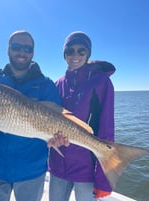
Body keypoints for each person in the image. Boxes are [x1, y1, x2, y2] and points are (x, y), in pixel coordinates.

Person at [0, 30, 61, 201]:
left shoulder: (46, 86)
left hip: (31, 170)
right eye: (16, 47)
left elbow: (58, 122)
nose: (22, 52)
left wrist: (58, 139)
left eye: (27, 48)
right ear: (8, 50)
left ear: (32, 53)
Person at [48, 31, 116, 201]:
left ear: (88, 54)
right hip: (58, 165)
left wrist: (103, 180)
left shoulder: (101, 82)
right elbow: (46, 122)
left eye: (81, 51)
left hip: (86, 169)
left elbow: (107, 131)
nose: (75, 55)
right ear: (64, 55)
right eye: (70, 51)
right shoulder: (58, 84)